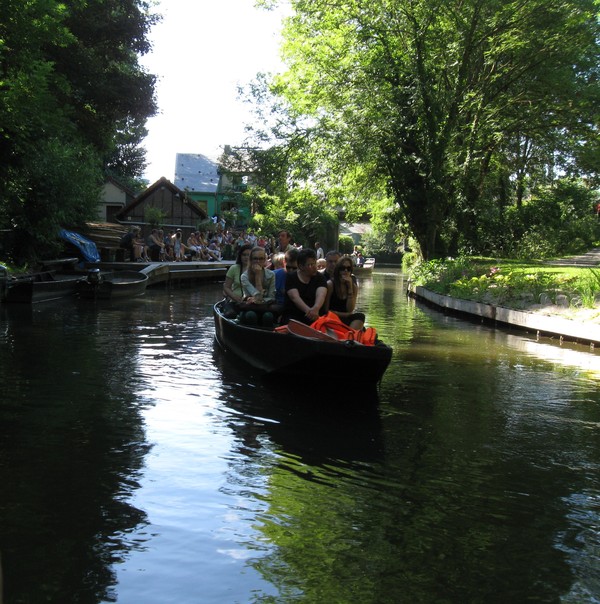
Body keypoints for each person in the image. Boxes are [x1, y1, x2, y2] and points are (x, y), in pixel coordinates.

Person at [282, 248, 328, 325]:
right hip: (295, 315)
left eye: (314, 264)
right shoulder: (291, 277)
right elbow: (295, 297)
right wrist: (309, 311)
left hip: (316, 316)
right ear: (301, 266)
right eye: (310, 265)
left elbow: (321, 295)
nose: (314, 267)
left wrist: (316, 309)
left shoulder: (320, 278)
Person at [240, 246, 278, 325]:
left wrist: (261, 301)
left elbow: (272, 296)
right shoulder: (244, 276)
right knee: (251, 315)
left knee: (268, 316)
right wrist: (257, 276)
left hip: (265, 308)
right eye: (255, 258)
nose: (258, 261)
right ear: (251, 260)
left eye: (261, 259)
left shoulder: (271, 275)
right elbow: (257, 296)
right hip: (250, 308)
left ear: (265, 260)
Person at [325, 256, 365, 330]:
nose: (345, 271)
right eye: (342, 268)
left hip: (345, 318)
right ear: (338, 269)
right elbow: (325, 310)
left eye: (348, 269)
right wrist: (343, 314)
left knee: (360, 316)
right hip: (331, 317)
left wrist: (350, 287)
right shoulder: (330, 284)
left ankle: (350, 337)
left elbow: (350, 309)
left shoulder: (354, 287)